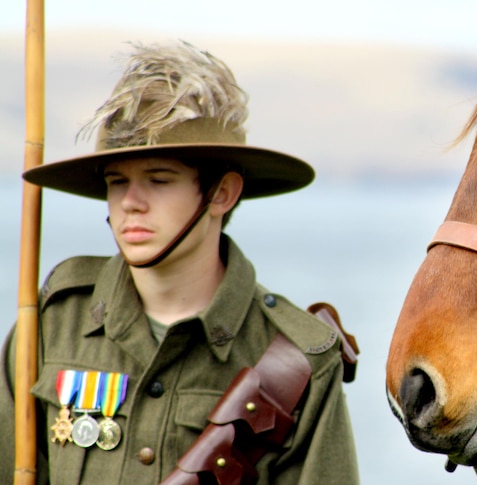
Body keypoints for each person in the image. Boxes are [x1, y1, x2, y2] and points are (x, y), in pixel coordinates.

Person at [0, 40, 359, 484]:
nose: (130, 202)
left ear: (221, 193)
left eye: (159, 179)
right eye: (117, 181)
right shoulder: (53, 324)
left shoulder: (299, 361)